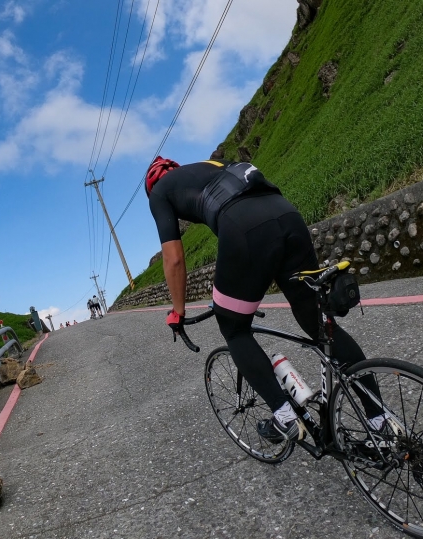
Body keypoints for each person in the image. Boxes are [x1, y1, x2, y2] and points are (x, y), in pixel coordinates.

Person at [146, 156, 384, 442]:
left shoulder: (159, 192)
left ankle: (284, 416)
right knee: (317, 322)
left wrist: (178, 311)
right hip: (285, 213)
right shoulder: (212, 166)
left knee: (234, 328)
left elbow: (173, 260)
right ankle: (380, 421)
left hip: (243, 225)